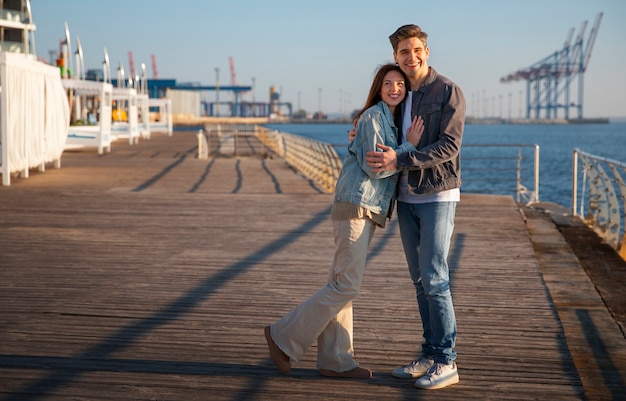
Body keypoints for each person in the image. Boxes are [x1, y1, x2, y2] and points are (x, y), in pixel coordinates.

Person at [264, 64, 424, 379]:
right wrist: (410, 146)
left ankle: (335, 360)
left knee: (342, 285)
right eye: (388, 83)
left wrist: (402, 143)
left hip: (363, 209)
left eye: (400, 84)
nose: (394, 88)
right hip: (355, 207)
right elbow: (376, 167)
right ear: (378, 88)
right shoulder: (372, 118)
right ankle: (282, 336)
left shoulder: (387, 121)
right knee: (346, 284)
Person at [365, 24, 466, 390]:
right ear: (396, 56)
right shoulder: (400, 92)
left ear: (427, 50)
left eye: (417, 49)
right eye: (404, 52)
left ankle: (447, 361)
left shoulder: (448, 91)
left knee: (436, 278)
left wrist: (401, 160)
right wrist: (359, 132)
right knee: (420, 281)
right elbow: (386, 135)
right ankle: (429, 353)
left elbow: (449, 146)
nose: (412, 57)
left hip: (437, 195)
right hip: (405, 198)